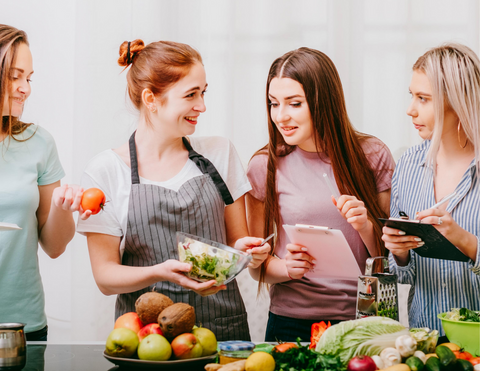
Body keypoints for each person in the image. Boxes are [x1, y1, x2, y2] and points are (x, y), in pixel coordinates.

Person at [76, 39, 270, 341]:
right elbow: (105, 277)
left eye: (203, 92)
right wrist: (160, 271)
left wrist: (250, 253)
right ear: (151, 98)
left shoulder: (219, 153)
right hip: (148, 339)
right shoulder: (106, 171)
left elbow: (236, 242)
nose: (202, 106)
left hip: (223, 330)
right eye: (191, 95)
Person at [246, 47, 395, 342]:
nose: (281, 116)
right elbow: (258, 266)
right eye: (274, 104)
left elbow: (389, 258)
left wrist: (365, 225)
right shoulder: (264, 165)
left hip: (362, 319)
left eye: (294, 103)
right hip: (291, 323)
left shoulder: (372, 155)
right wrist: (287, 268)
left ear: (322, 101)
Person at [0, 24, 90, 341]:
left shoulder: (38, 142)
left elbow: (53, 247)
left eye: (29, 77)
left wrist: (63, 209)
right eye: (15, 75)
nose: (26, 88)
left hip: (21, 324)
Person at [383, 43, 480, 334]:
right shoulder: (408, 166)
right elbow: (401, 275)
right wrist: (398, 252)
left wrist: (465, 241)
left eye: (423, 99)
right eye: (411, 96)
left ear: (458, 101)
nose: (410, 110)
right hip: (423, 345)